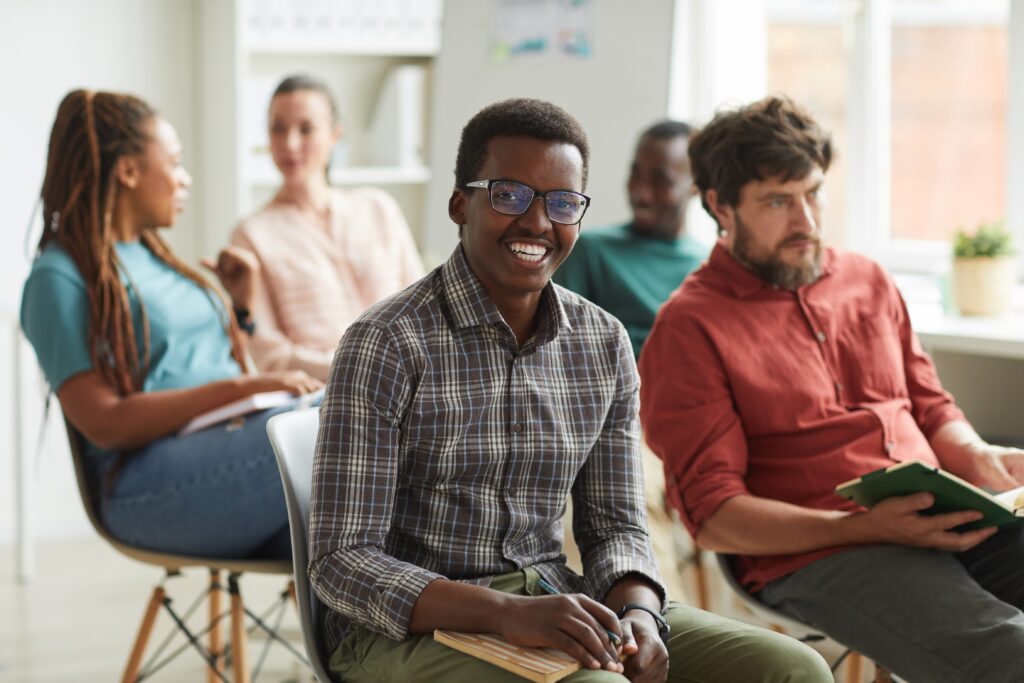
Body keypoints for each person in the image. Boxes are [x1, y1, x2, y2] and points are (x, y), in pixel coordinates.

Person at [308, 97, 832, 683]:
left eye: (562, 203)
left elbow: (616, 528)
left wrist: (639, 611)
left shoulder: (602, 343)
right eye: (509, 195)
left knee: (792, 669)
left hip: (555, 599)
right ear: (461, 204)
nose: (537, 223)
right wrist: (507, 613)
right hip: (398, 633)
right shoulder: (386, 343)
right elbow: (342, 563)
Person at [639, 95, 1024, 682]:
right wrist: (862, 526)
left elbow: (927, 403)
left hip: (946, 515)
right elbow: (715, 515)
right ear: (720, 206)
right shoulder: (690, 326)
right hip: (824, 550)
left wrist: (976, 454)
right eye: (777, 201)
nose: (808, 222)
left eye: (813, 193)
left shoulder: (866, 279)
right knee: (1008, 651)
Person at [20, 89, 322, 559]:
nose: (186, 179)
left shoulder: (154, 258)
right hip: (147, 489)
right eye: (175, 163)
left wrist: (241, 311)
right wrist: (242, 390)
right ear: (129, 171)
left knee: (367, 411)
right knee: (335, 428)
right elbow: (105, 424)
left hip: (234, 446)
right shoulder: (58, 278)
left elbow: (222, 371)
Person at [228, 74, 424, 381]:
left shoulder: (378, 208)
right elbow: (272, 356)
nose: (290, 143)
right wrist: (362, 368)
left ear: (335, 135)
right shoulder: (252, 234)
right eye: (278, 129)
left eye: (306, 129)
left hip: (413, 385)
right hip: (326, 401)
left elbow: (425, 310)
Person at [554, 120, 707, 360]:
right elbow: (560, 344)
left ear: (696, 186)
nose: (642, 193)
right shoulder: (590, 251)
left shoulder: (707, 266)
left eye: (661, 181)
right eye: (636, 174)